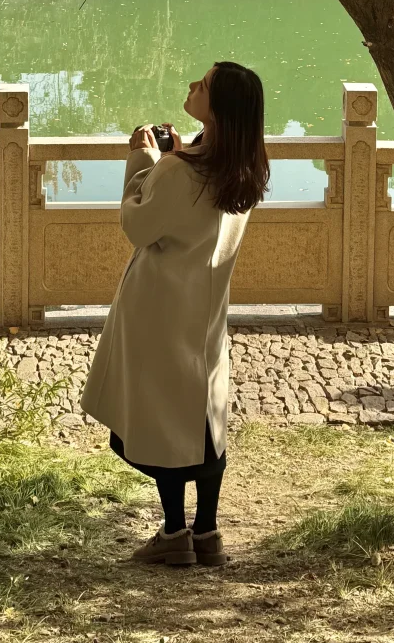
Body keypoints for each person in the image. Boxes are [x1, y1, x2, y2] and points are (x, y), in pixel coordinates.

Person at [80, 61, 269, 567]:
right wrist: (174, 154)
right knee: (206, 421)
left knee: (158, 421)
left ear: (219, 110)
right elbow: (192, 211)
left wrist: (142, 162)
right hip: (205, 308)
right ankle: (205, 532)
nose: (191, 86)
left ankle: (171, 534)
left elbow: (139, 224)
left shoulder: (178, 170)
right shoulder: (243, 168)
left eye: (202, 85)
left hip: (159, 306)